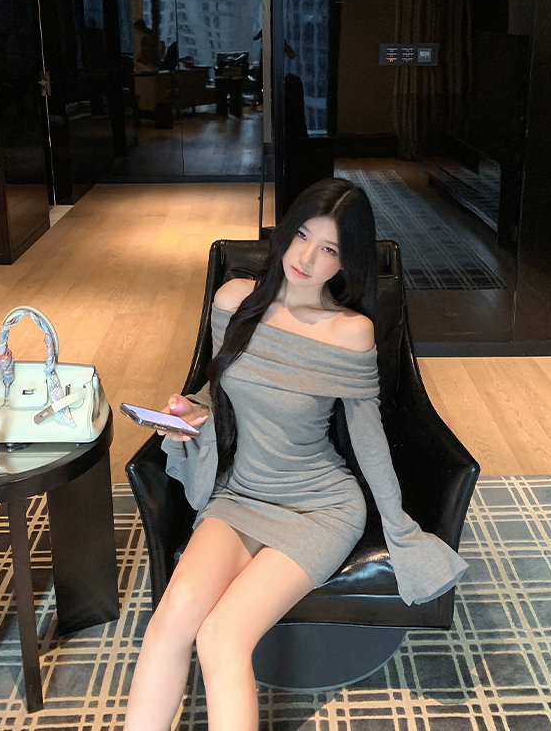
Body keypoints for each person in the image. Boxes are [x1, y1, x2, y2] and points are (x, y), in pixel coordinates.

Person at [123, 178, 467, 731]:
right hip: (241, 496)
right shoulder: (234, 301)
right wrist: (191, 411)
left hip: (319, 507)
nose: (306, 258)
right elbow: (220, 389)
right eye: (302, 236)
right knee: (169, 624)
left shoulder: (350, 332)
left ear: (347, 261)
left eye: (329, 248)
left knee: (221, 637)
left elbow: (369, 439)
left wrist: (399, 526)